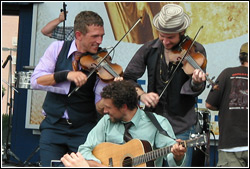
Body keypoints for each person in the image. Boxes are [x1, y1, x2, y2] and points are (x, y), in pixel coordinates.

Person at [123, 4, 207, 167]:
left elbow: (197, 89)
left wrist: (196, 82)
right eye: (162, 36)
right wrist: (142, 95)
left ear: (182, 32)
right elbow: (128, 78)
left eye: (171, 37)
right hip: (152, 125)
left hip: (181, 125)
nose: (166, 41)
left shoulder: (196, 50)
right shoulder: (149, 48)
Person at [31, 11, 106, 166]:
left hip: (84, 129)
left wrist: (110, 91)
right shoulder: (57, 48)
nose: (99, 41)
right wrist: (65, 75)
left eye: (101, 36)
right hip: (53, 126)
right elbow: (36, 81)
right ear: (78, 35)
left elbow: (99, 106)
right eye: (94, 36)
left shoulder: (102, 61)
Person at [77, 80, 186, 167]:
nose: (104, 111)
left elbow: (173, 160)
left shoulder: (157, 123)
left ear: (124, 107)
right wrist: (100, 166)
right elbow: (84, 149)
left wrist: (178, 156)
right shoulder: (106, 121)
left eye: (109, 107)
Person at [205, 42, 248, 167]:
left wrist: (226, 106)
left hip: (231, 145)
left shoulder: (227, 73)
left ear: (241, 57)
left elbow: (209, 104)